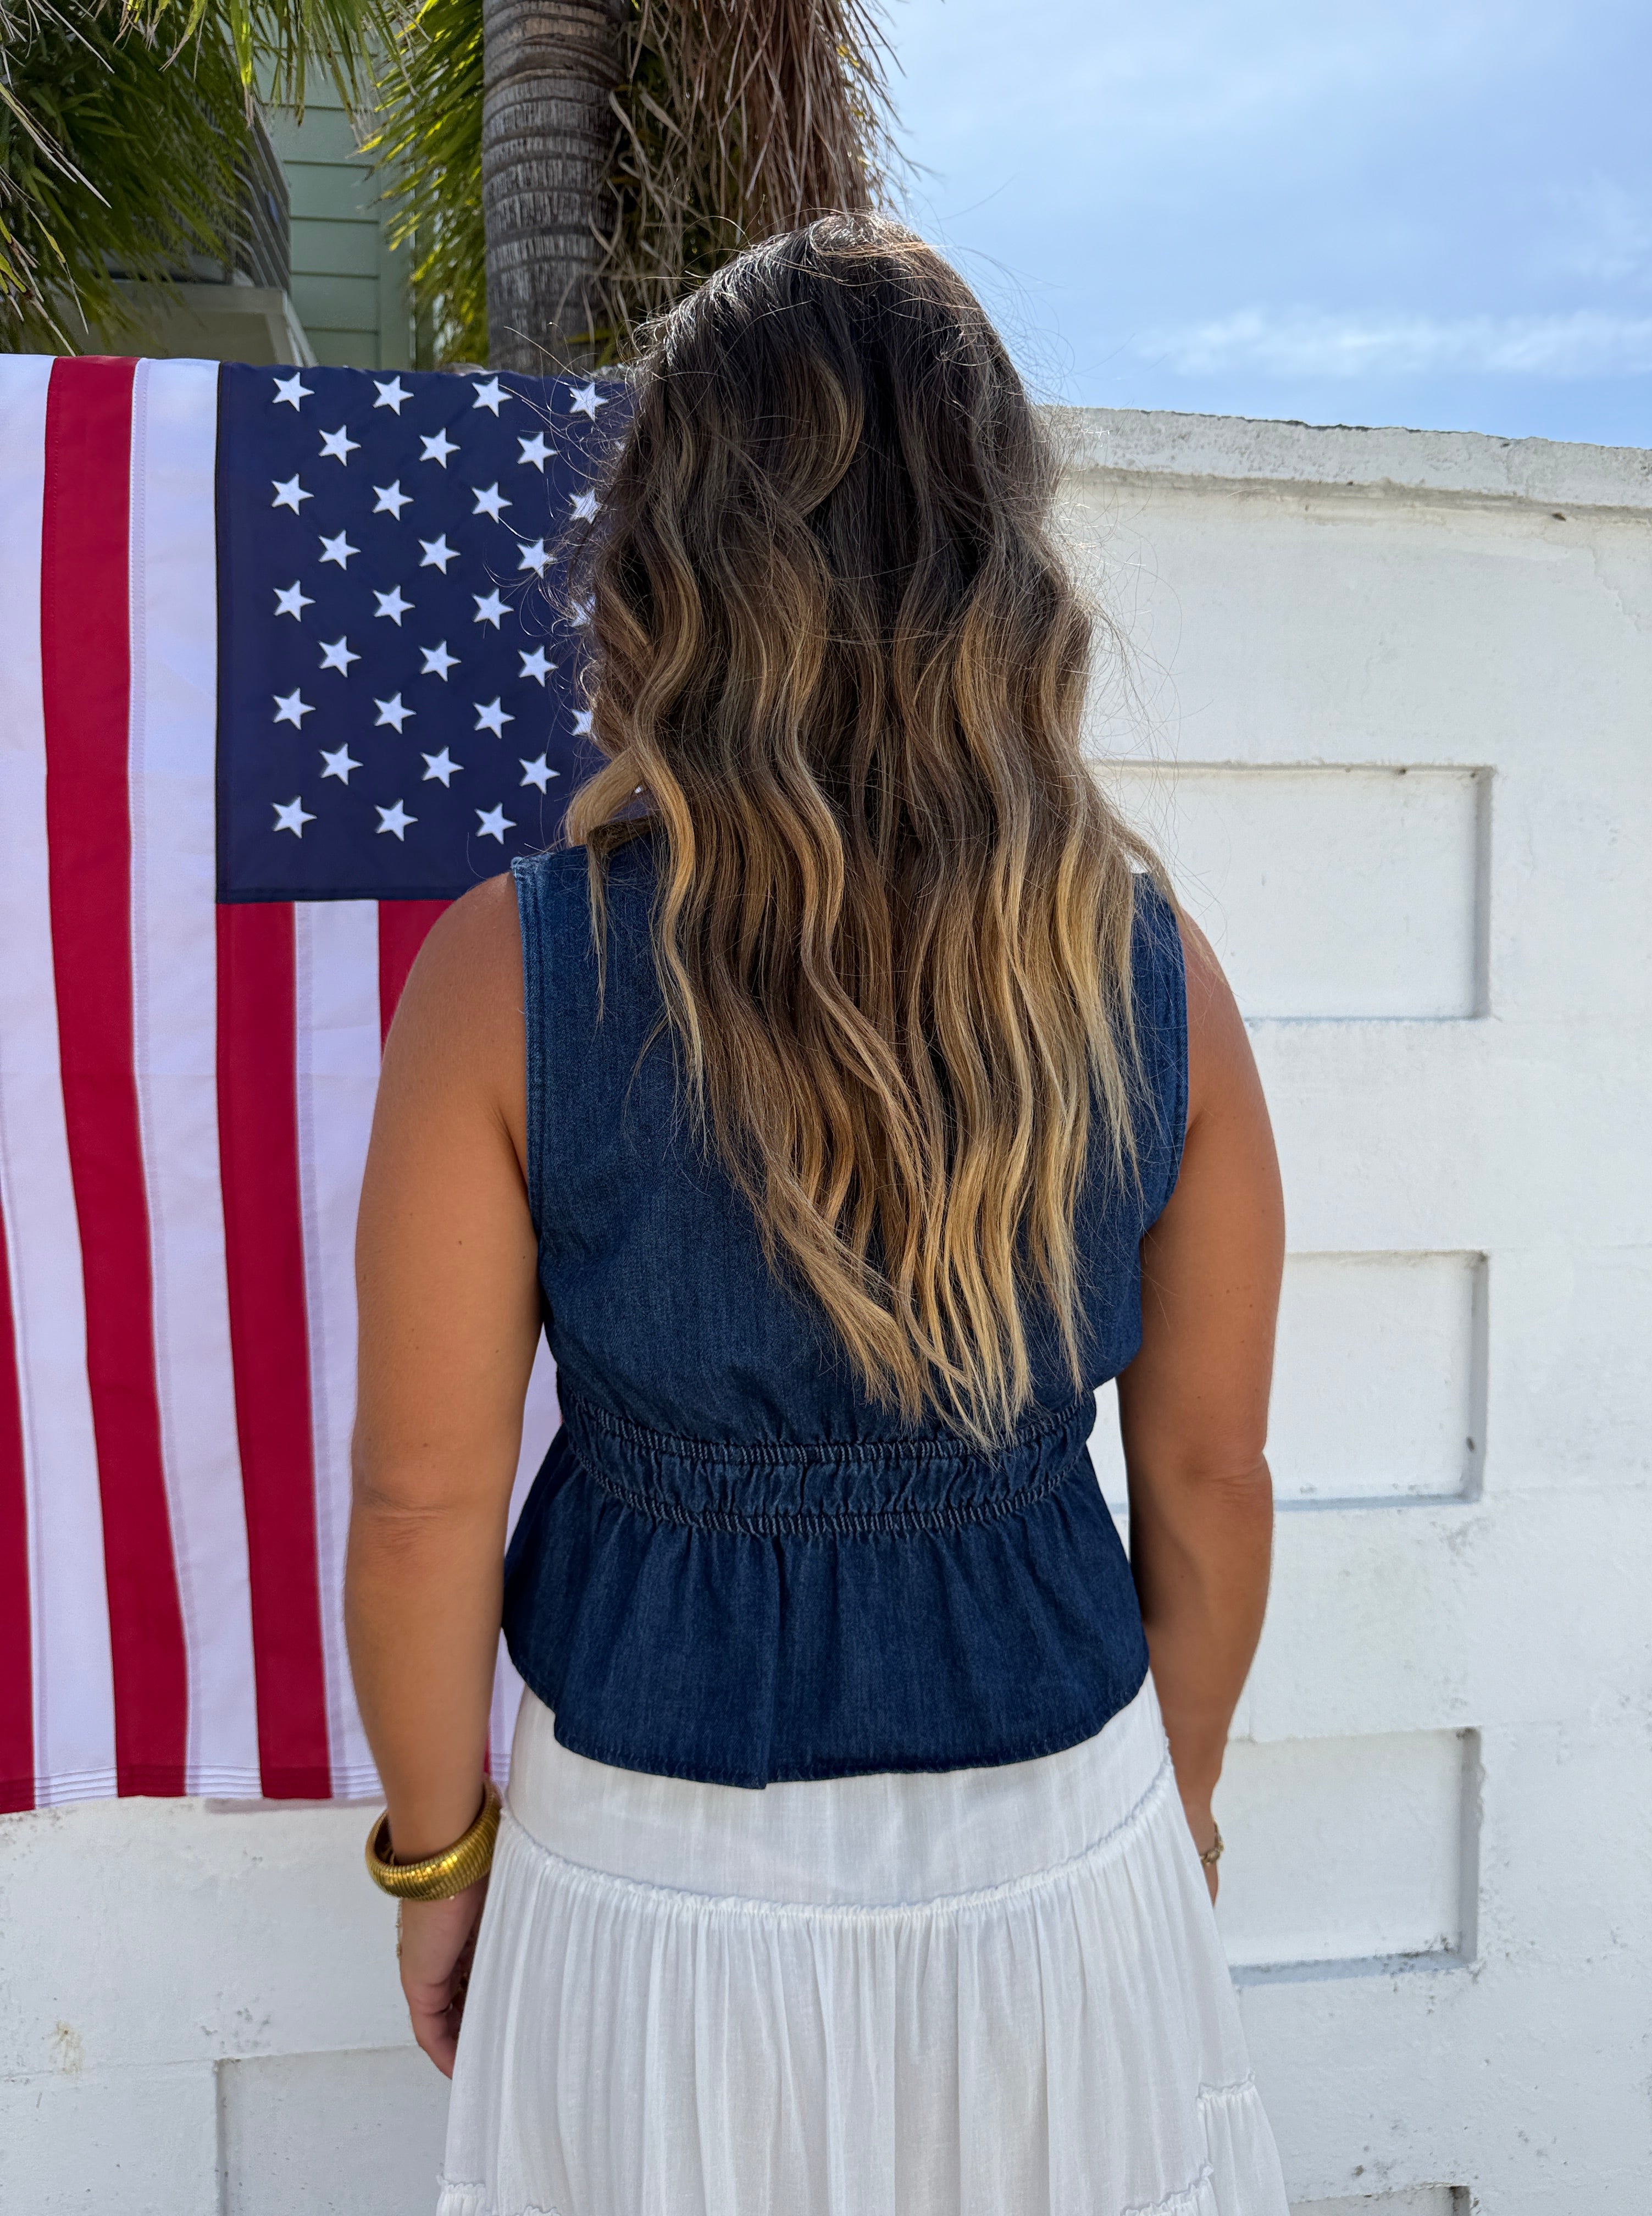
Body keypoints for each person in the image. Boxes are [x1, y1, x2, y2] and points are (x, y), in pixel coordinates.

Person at [346, 214, 1290, 2216]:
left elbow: (422, 1507)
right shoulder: (1155, 974)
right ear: (1003, 564)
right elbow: (1206, 1476)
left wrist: (437, 1865)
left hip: (652, 1873)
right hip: (1066, 1837)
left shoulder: (508, 982)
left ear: (663, 559)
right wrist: (1172, 1810)